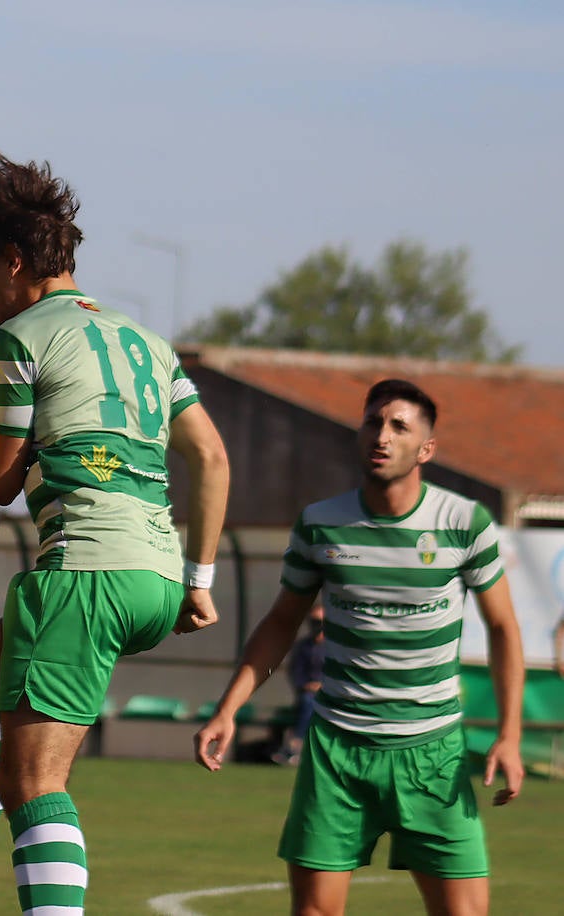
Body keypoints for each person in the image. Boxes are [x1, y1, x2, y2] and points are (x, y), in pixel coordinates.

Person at [0, 151, 230, 916]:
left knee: (34, 784)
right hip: (155, 579)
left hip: (87, 571)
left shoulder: (20, 339)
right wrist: (199, 580)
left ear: (14, 262)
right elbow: (212, 457)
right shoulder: (149, 343)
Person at [195, 378, 525, 916]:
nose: (382, 435)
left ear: (426, 449)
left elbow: (506, 630)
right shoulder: (320, 523)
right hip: (337, 751)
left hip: (432, 753)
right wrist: (227, 709)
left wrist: (509, 736)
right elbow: (282, 621)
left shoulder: (464, 523)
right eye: (373, 421)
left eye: (400, 426)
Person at [272, 603, 325, 765]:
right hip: (307, 694)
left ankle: (294, 745)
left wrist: (322, 684)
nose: (317, 626)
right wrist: (306, 685)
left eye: (320, 622)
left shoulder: (336, 647)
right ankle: (297, 745)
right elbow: (296, 672)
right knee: (308, 702)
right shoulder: (303, 646)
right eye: (314, 621)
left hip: (331, 693)